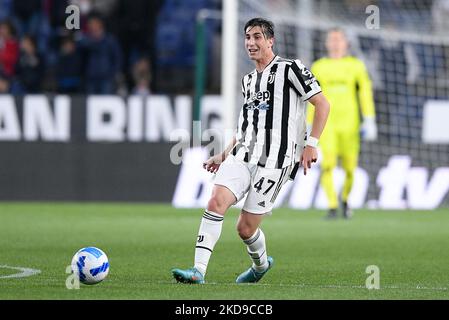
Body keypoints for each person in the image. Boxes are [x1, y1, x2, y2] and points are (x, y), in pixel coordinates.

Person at [171, 18, 330, 284]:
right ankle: (198, 271)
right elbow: (246, 126)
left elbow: (323, 104)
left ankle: (260, 265)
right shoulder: (248, 82)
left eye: (257, 37)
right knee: (215, 201)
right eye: (247, 37)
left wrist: (311, 144)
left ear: (270, 41)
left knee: (245, 229)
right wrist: (223, 155)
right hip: (243, 155)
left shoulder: (291, 69)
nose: (251, 43)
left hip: (277, 161)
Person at [307, 28, 377, 219]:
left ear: (346, 43)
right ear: (326, 43)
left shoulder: (356, 65)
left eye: (339, 39)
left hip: (350, 123)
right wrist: (308, 123)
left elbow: (365, 92)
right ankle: (331, 205)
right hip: (327, 124)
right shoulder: (319, 66)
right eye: (332, 39)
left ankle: (345, 200)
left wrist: (369, 118)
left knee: (350, 168)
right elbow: (312, 97)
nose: (336, 43)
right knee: (327, 164)